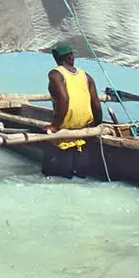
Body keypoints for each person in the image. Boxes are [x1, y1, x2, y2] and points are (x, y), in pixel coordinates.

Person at [43, 42, 101, 178]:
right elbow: (96, 106)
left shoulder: (55, 74)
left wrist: (55, 126)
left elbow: (64, 99)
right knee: (81, 177)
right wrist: (95, 127)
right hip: (83, 132)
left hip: (64, 131)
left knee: (51, 174)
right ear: (69, 57)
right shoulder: (86, 76)